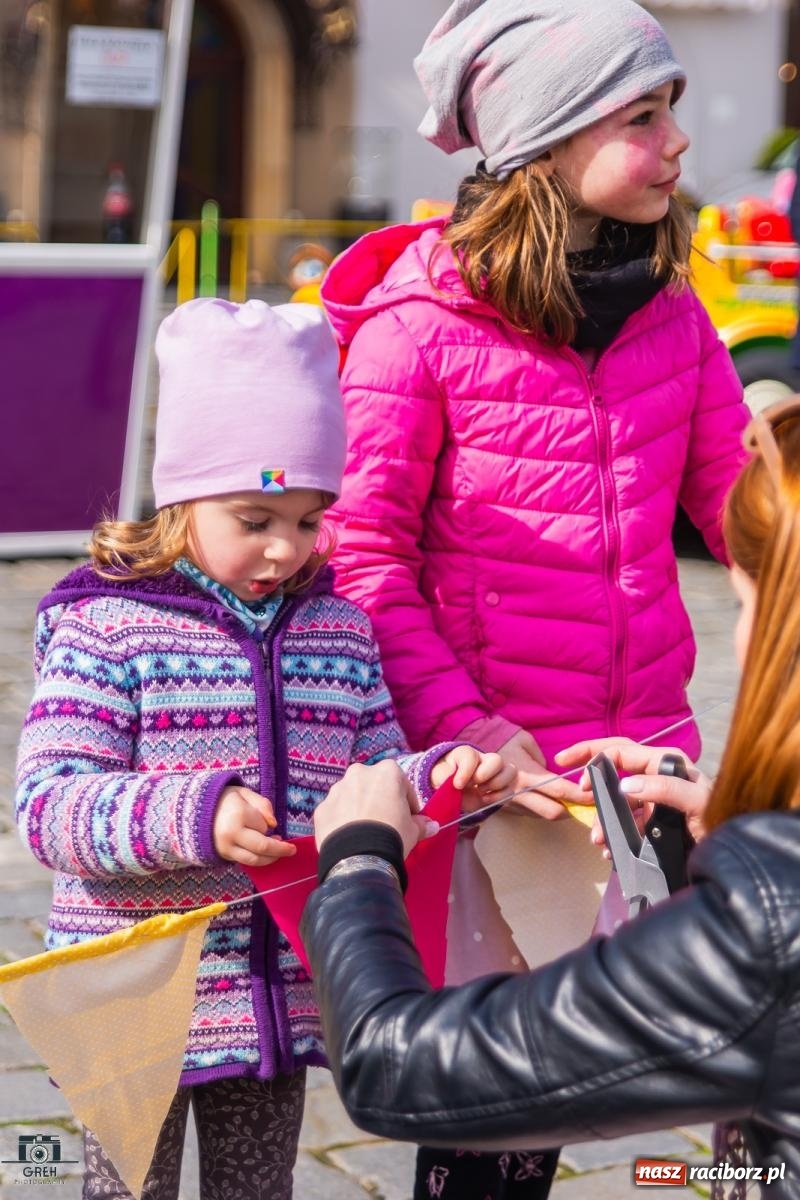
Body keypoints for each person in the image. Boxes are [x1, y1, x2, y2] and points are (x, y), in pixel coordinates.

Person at [320, 1, 750, 1194]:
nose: (676, 139)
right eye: (639, 115)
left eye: (668, 108)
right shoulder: (420, 328)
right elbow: (363, 560)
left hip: (637, 776)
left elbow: (749, 516)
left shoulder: (674, 316)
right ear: (548, 142)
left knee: (625, 1097)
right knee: (484, 1124)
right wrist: (474, 735)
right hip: (493, 786)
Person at [13, 298, 514, 1200]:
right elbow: (51, 808)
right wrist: (195, 814)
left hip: (279, 997)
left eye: (311, 518)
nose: (287, 547)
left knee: (257, 1190)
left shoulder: (340, 634)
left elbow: (372, 778)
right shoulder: (108, 629)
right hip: (137, 1001)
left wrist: (437, 776)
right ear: (182, 497)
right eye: (255, 518)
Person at [299, 397, 800, 1199]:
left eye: (744, 604)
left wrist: (359, 862)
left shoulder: (769, 922)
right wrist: (732, 825)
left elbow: (400, 1067)